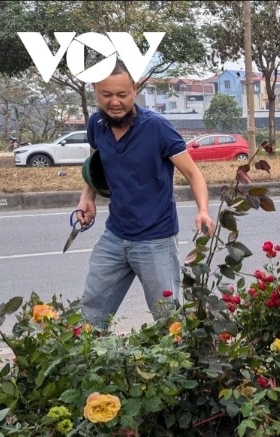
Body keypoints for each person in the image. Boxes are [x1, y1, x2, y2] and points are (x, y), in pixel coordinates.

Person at [75, 60, 215, 329]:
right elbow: (96, 161)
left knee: (168, 321)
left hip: (156, 240)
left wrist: (203, 210)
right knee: (90, 316)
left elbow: (194, 173)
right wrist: (87, 196)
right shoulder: (97, 124)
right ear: (95, 90)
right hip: (115, 235)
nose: (115, 102)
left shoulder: (157, 128)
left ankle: (177, 368)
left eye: (122, 95)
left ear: (135, 89)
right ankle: (89, 366)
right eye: (106, 95)